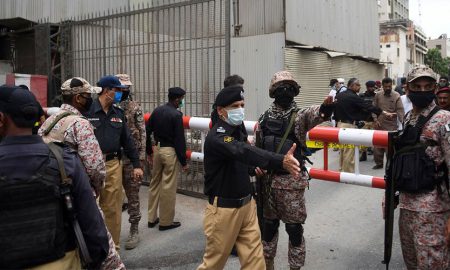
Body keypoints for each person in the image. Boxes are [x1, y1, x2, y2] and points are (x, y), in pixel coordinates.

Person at [0, 85, 109, 269]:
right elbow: (91, 222)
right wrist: (96, 258)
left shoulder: (55, 129)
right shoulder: (63, 159)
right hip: (61, 261)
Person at [197, 85, 301, 270]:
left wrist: (253, 168)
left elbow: (241, 159)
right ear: (221, 111)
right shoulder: (218, 137)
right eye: (235, 106)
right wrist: (280, 160)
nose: (240, 110)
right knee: (213, 264)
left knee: (255, 262)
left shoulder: (238, 130)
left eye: (242, 105)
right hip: (224, 211)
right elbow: (242, 150)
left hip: (247, 206)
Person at [39, 77, 125, 269]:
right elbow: (95, 167)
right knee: (106, 253)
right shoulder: (80, 124)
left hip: (54, 193)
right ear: (78, 98)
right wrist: (95, 189)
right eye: (88, 96)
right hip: (79, 193)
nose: (91, 100)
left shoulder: (51, 121)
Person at [258, 71, 334, 270]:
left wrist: (327, 108)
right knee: (268, 228)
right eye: (281, 87)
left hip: (291, 184)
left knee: (294, 229)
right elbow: (257, 146)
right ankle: (268, 264)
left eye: (289, 88)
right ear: (273, 92)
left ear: (295, 91)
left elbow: (318, 113)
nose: (285, 91)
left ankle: (295, 267)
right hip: (268, 183)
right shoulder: (264, 117)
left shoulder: (300, 116)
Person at [396, 65, 450, 269]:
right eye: (416, 86)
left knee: (432, 264)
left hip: (433, 210)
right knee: (412, 262)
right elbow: (400, 159)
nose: (422, 90)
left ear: (435, 88)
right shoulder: (409, 118)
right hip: (407, 207)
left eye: (427, 86)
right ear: (407, 89)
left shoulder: (443, 119)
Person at [87, 75, 144, 250]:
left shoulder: (118, 113)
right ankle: (94, 248)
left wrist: (137, 164)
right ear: (107, 90)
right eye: (117, 90)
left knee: (112, 209)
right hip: (90, 166)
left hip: (113, 164)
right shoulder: (87, 111)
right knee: (90, 207)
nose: (121, 93)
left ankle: (113, 249)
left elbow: (129, 140)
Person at [146, 87, 188, 231]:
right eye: (182, 99)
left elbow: (147, 130)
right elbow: (179, 140)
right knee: (168, 187)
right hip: (170, 152)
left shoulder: (157, 110)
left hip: (157, 149)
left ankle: (151, 218)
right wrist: (183, 161)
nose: (182, 102)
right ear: (176, 99)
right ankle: (166, 221)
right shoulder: (176, 115)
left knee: (154, 183)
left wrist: (148, 151)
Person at [334, 78, 394, 172]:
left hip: (340, 125)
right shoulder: (353, 97)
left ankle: (342, 170)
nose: (359, 86)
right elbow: (367, 106)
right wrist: (383, 112)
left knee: (343, 150)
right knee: (349, 151)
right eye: (357, 85)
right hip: (349, 126)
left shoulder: (339, 95)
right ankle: (348, 174)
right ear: (351, 85)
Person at [116, 74, 147, 250]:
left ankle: (134, 229)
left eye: (126, 88)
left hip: (130, 158)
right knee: (111, 198)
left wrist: (140, 159)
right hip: (113, 157)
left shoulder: (134, 107)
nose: (123, 91)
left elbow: (142, 133)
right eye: (120, 88)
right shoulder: (107, 107)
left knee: (133, 194)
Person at [372, 77, 405, 169]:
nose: (387, 88)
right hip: (379, 123)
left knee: (389, 147)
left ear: (392, 85)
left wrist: (398, 117)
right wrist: (375, 120)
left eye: (389, 86)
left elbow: (400, 110)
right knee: (377, 146)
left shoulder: (396, 95)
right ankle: (379, 163)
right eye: (385, 86)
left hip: (391, 125)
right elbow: (374, 108)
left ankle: (390, 164)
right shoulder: (378, 95)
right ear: (382, 86)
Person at [359, 80, 377, 161]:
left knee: (374, 138)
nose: (372, 88)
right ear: (367, 87)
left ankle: (375, 154)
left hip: (374, 120)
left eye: (373, 87)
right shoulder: (362, 96)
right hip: (364, 120)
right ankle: (363, 154)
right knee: (363, 138)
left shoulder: (377, 96)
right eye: (370, 87)